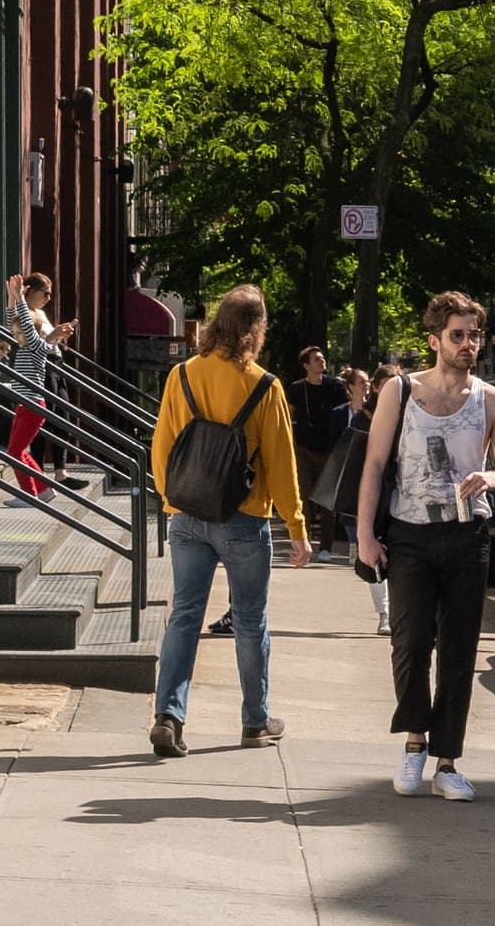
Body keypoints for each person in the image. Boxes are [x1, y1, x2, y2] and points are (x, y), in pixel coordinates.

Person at [357, 290, 495, 802]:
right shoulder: (400, 392)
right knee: (409, 642)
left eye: (475, 334)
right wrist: (365, 534)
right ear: (435, 340)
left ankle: (447, 761)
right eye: (458, 335)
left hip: (468, 536)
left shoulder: (494, 401)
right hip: (408, 536)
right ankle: (413, 744)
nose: (468, 344)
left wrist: (494, 479)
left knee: (458, 651)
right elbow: (375, 465)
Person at [148, 283, 310, 758]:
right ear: (256, 330)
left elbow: (163, 446)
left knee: (184, 616)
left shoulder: (181, 376)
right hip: (244, 517)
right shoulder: (265, 385)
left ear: (218, 322)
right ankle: (255, 722)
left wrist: (171, 500)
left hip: (188, 514)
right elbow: (281, 463)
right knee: (249, 620)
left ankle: (168, 716)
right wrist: (296, 526)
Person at [2, 272, 73, 498]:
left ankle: (30, 495)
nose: (15, 336)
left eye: (18, 333)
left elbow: (26, 325)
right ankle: (42, 490)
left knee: (14, 452)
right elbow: (12, 321)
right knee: (18, 451)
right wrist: (12, 298)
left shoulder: (33, 346)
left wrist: (20, 298)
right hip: (25, 405)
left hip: (32, 406)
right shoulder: (26, 346)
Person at [339, 368, 391, 633]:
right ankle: (384, 613)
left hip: (399, 495)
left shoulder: (410, 416)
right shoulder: (362, 419)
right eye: (386, 385)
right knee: (374, 554)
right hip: (370, 495)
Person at [287, 345, 350, 552]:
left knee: (327, 502)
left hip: (329, 450)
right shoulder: (297, 389)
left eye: (322, 358)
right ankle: (303, 541)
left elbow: (345, 413)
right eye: (316, 359)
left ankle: (325, 547)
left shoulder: (335, 387)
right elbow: (289, 416)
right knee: (303, 497)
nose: (322, 361)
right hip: (304, 449)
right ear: (306, 365)